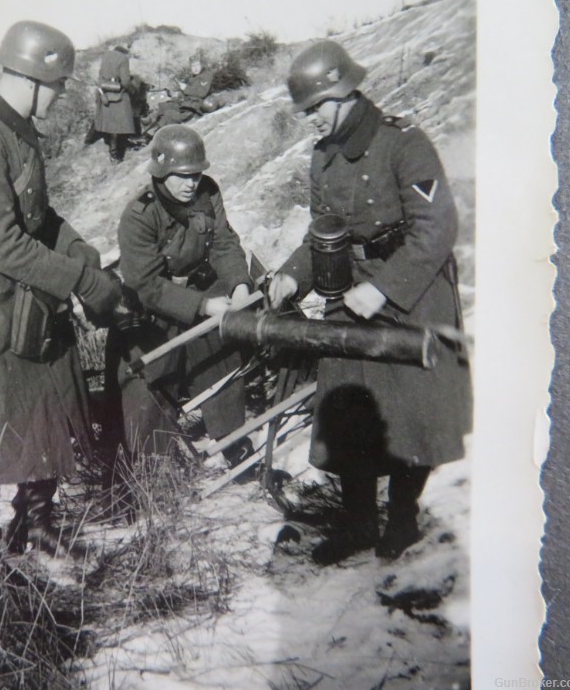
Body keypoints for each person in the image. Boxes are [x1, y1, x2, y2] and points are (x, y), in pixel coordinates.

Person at [268, 40, 472, 564]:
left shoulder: (405, 143)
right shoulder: (322, 158)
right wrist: (293, 277)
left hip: (412, 286)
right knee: (345, 405)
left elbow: (437, 228)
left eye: (316, 108)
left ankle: (402, 518)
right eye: (305, 111)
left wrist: (383, 288)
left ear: (343, 93)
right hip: (348, 284)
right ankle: (359, 521)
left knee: (412, 413)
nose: (310, 120)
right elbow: (324, 235)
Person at [0, 20, 122, 561]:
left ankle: (35, 524)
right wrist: (82, 280)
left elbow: (40, 216)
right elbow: (3, 243)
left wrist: (78, 246)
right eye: (58, 85)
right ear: (34, 77)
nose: (60, 96)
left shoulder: (17, 134)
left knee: (49, 399)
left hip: (20, 301)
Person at [102, 125, 256, 487]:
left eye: (196, 173)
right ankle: (156, 469)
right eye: (183, 176)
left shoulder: (208, 193)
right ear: (160, 172)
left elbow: (224, 244)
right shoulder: (139, 215)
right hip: (156, 308)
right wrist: (203, 306)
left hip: (205, 296)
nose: (192, 182)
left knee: (221, 354)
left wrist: (239, 284)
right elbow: (146, 285)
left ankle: (234, 443)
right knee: (154, 373)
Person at [142, 57, 218, 137]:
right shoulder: (193, 77)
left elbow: (201, 93)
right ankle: (149, 122)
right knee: (163, 106)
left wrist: (185, 88)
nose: (195, 68)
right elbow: (189, 92)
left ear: (202, 65)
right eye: (193, 66)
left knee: (169, 114)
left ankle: (153, 135)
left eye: (197, 65)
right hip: (186, 104)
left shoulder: (206, 76)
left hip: (193, 108)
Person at [92, 45, 137, 162]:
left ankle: (112, 152)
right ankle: (117, 154)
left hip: (105, 93)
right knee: (120, 123)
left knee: (109, 124)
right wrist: (133, 91)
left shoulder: (106, 55)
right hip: (117, 95)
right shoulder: (123, 58)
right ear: (125, 52)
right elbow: (125, 81)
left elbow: (101, 75)